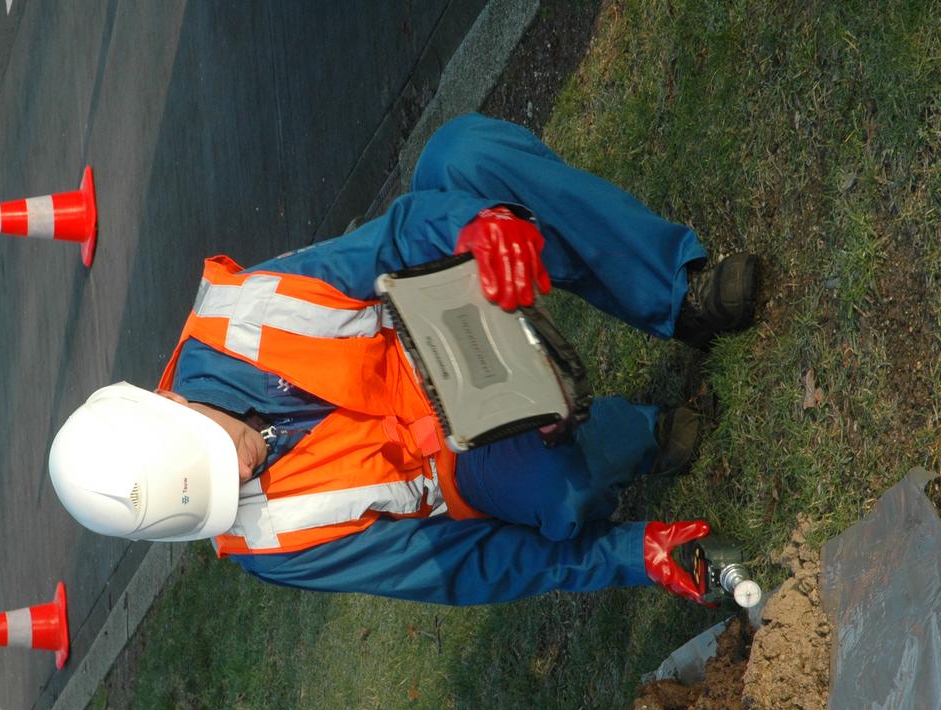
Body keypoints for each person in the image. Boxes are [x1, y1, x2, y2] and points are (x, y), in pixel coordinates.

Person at [49, 114, 757, 607]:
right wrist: (631, 554)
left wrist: (479, 233)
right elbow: (459, 567)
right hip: (461, 460)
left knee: (462, 159)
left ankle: (678, 296)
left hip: (443, 320)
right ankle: (646, 438)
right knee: (561, 491)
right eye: (218, 495)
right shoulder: (268, 547)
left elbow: (392, 241)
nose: (239, 473)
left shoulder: (237, 314)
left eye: (212, 452)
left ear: (167, 400)